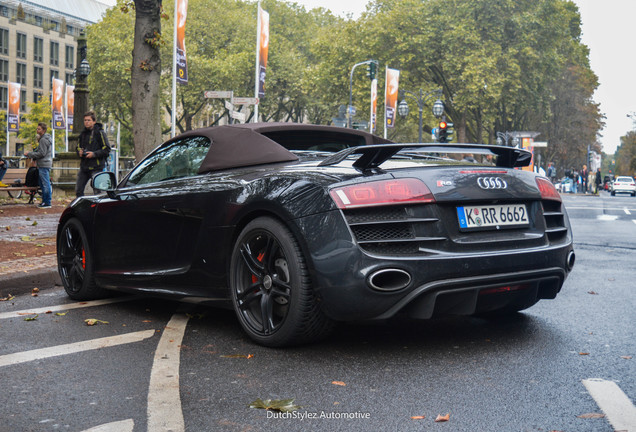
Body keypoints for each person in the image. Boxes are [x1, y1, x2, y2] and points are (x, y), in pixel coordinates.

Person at [76, 110, 110, 197]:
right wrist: (79, 152)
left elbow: (107, 149)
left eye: (89, 120)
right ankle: (80, 209)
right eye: (85, 120)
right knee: (78, 191)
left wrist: (94, 154)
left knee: (97, 192)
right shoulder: (82, 134)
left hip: (96, 167)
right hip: (84, 166)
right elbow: (78, 147)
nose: (86, 122)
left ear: (94, 121)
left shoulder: (100, 133)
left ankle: (98, 209)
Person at [24, 122, 53, 208]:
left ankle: (47, 202)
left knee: (45, 184)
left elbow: (42, 153)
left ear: (43, 130)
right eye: (37, 128)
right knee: (44, 183)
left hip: (43, 164)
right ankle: (45, 201)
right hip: (45, 163)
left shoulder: (43, 140)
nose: (37, 130)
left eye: (39, 129)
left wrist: (30, 154)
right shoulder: (46, 139)